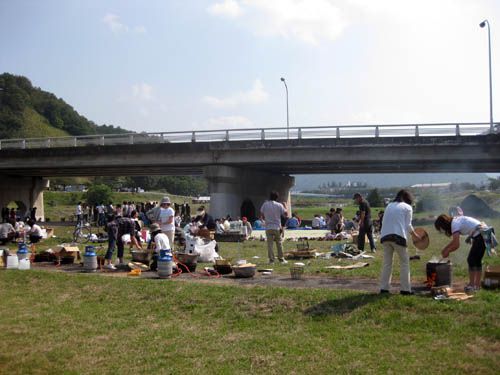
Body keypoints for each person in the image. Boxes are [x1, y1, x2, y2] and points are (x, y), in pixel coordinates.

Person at [435, 214, 492, 293]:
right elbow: (454, 241)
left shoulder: (454, 225)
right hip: (482, 233)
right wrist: (445, 249)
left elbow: (456, 244)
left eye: (441, 229)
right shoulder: (455, 221)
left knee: (472, 260)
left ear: (443, 225)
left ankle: (473, 285)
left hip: (481, 235)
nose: (443, 231)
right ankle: (476, 285)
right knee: (476, 260)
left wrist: (447, 251)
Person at [379, 190, 421, 295]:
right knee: (404, 263)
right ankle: (405, 289)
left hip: (385, 236)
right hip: (398, 237)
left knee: (387, 263)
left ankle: (384, 288)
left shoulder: (389, 206)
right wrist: (416, 236)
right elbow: (408, 226)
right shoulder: (407, 208)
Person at [260, 191, 288, 264]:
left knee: (270, 244)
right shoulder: (279, 205)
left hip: (268, 227)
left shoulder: (265, 204)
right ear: (277, 198)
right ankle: (281, 259)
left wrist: (265, 218)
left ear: (270, 197)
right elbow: (286, 214)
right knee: (279, 243)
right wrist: (285, 206)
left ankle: (271, 260)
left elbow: (262, 215)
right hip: (277, 227)